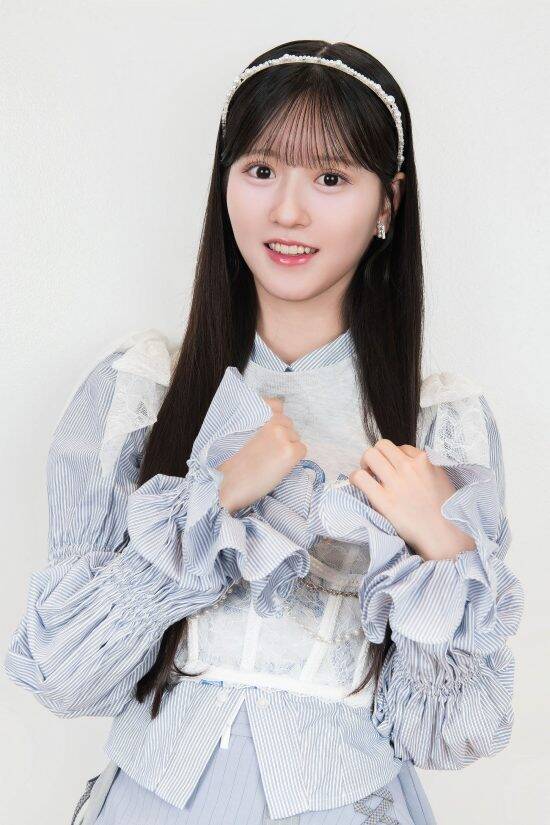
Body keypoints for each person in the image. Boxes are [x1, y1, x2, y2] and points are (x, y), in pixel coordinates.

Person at [5, 40, 524, 825]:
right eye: (261, 170)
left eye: (330, 178)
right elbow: (64, 675)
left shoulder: (437, 428)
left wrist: (444, 550)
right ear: (225, 183)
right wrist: (214, 497)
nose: (287, 211)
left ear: (388, 202)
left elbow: (446, 733)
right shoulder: (142, 391)